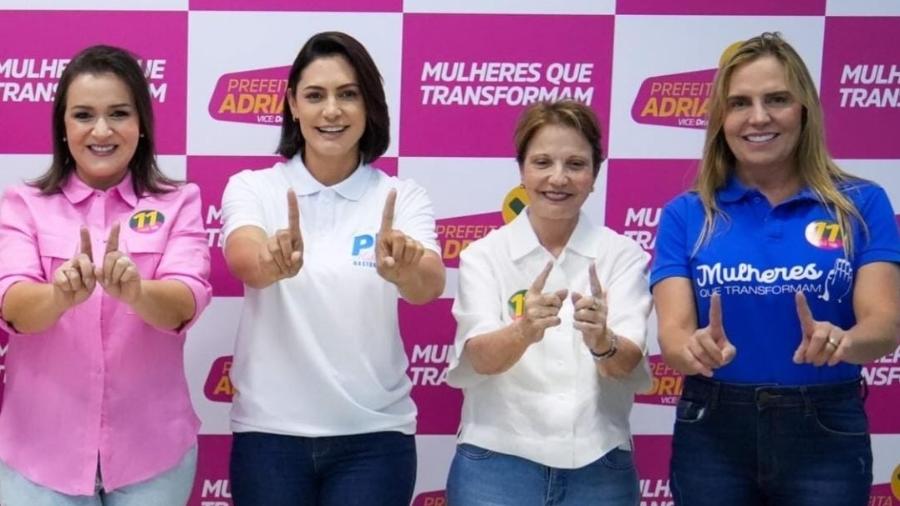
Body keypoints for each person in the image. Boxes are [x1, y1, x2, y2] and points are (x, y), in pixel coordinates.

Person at [651, 32, 900, 506]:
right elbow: (674, 336)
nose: (759, 117)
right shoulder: (686, 214)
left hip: (826, 428)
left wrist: (845, 341)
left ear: (804, 110)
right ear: (721, 120)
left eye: (777, 99)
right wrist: (693, 349)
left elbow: (884, 326)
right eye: (740, 103)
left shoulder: (862, 204)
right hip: (713, 429)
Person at [222, 31, 445, 505]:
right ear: (292, 105)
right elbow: (244, 259)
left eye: (348, 94)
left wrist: (404, 268)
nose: (332, 111)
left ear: (369, 106)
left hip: (375, 440)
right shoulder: (253, 188)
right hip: (270, 438)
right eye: (315, 95)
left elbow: (429, 284)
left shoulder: (402, 197)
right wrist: (273, 260)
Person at [0, 45, 211, 505]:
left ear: (142, 125)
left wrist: (135, 292)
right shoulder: (23, 204)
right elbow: (12, 307)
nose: (101, 130)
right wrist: (57, 297)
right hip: (40, 458)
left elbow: (185, 303)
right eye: (83, 115)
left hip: (152, 457)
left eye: (118, 113)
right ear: (63, 125)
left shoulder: (180, 202)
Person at [445, 100, 652, 506]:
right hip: (496, 464)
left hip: (599, 465)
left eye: (576, 164)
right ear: (521, 170)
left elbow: (626, 362)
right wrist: (522, 331)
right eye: (542, 162)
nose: (558, 178)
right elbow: (480, 358)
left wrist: (602, 342)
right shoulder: (483, 255)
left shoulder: (624, 255)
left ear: (595, 175)